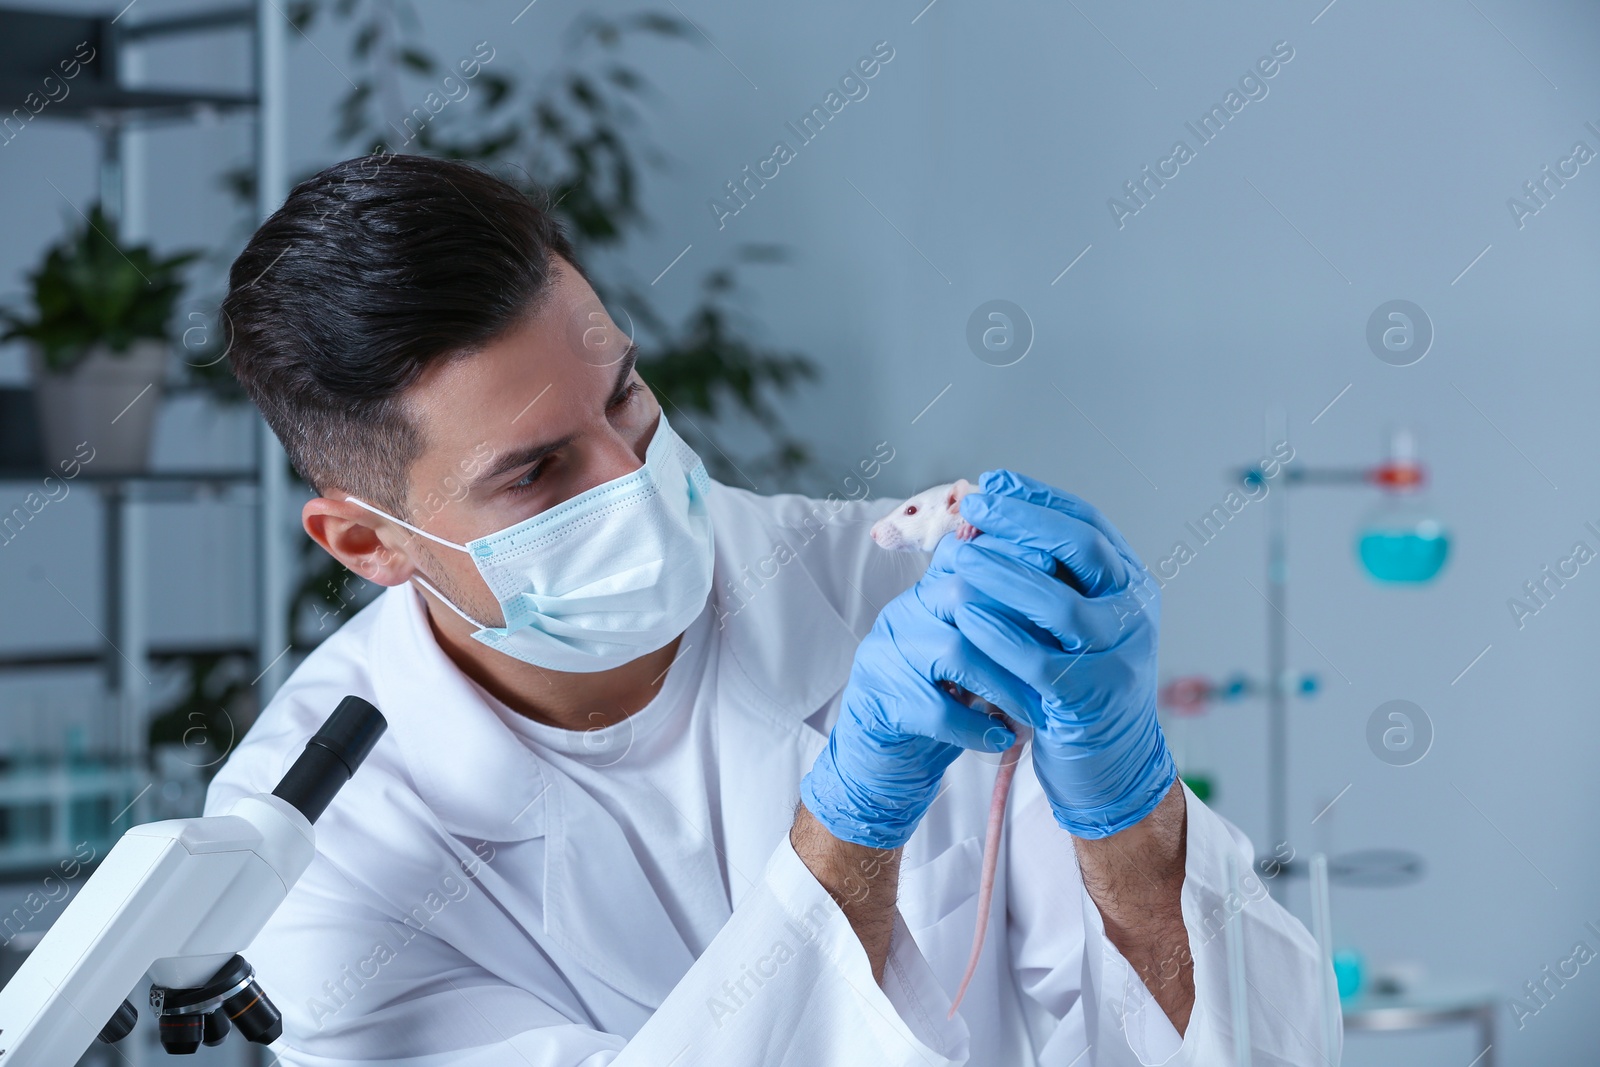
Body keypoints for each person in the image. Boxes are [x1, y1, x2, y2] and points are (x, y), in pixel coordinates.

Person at [204, 154, 1334, 1066]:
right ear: (368, 541)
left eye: (626, 396)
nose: (633, 477)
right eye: (538, 471)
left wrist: (1132, 814)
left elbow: (1253, 1051)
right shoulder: (313, 845)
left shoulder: (906, 595)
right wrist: (850, 826)